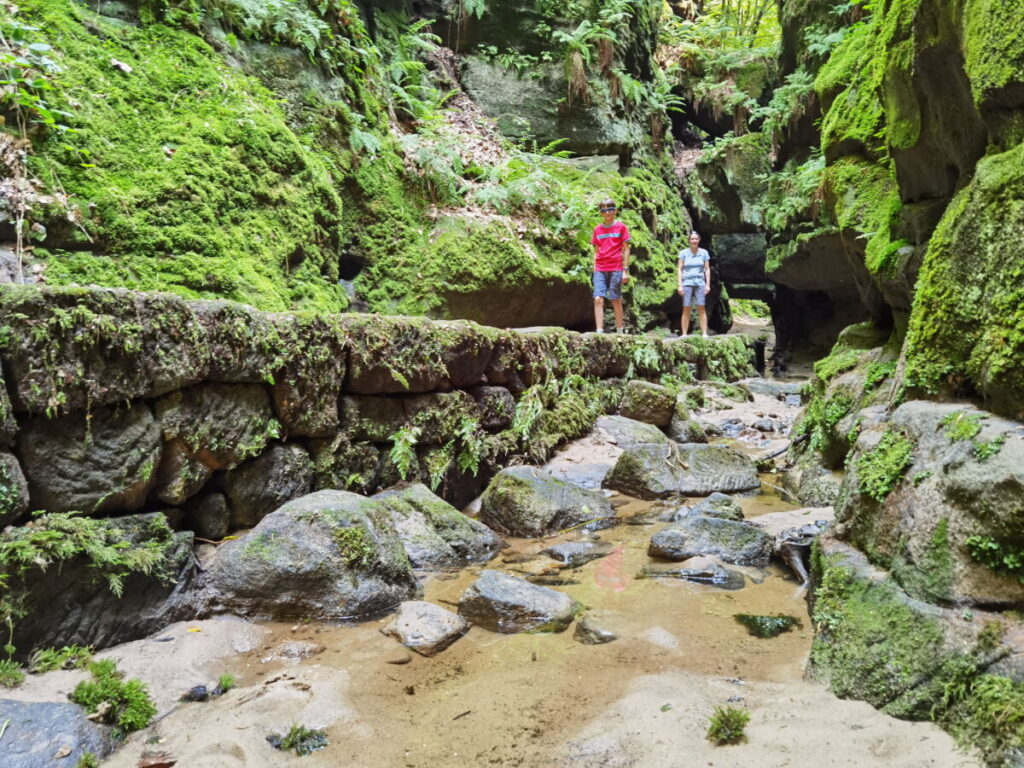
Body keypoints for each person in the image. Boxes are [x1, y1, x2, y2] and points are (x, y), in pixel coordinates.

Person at [590, 198, 631, 333]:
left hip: (616, 267)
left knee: (615, 298)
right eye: (603, 210)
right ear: (601, 213)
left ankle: (620, 329)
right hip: (600, 268)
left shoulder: (621, 227)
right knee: (598, 298)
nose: (607, 212)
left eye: (610, 209)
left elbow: (626, 249)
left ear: (615, 211)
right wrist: (594, 269)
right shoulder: (597, 230)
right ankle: (599, 330)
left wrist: (625, 270)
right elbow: (595, 251)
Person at [677, 230, 711, 337]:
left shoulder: (704, 253)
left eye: (696, 239)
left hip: (700, 283)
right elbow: (679, 269)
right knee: (686, 308)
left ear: (699, 240)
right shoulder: (683, 253)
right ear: (689, 240)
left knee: (701, 307)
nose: (694, 241)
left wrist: (708, 284)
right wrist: (680, 285)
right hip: (687, 283)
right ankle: (684, 334)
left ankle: (704, 333)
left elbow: (707, 269)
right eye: (692, 239)